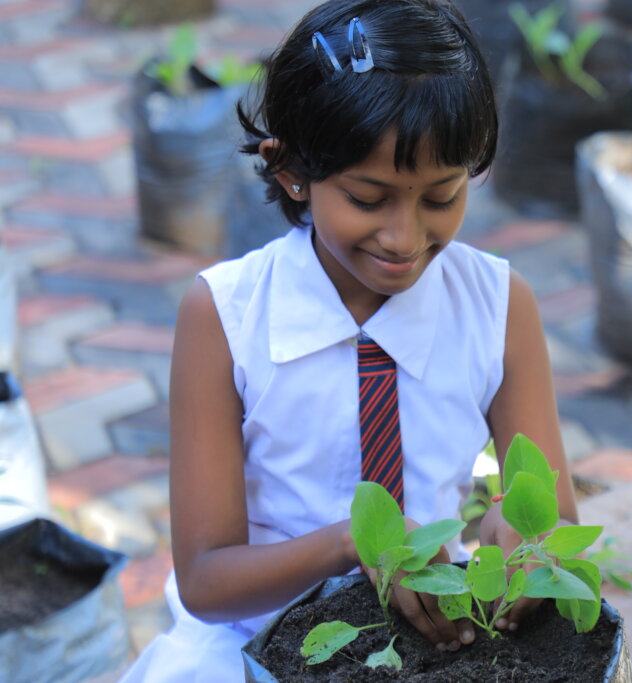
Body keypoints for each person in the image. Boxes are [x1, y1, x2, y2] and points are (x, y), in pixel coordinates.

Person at [120, 1, 578, 680]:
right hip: (254, 640)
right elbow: (209, 581)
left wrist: (524, 538)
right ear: (291, 171)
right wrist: (360, 546)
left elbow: (554, 513)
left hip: (437, 642)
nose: (404, 235)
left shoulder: (498, 306)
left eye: (441, 195)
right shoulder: (227, 316)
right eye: (369, 199)